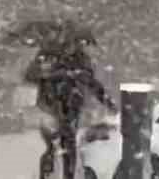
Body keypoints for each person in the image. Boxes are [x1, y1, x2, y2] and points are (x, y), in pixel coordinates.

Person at [24, 34, 112, 179]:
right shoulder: (68, 59)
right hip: (57, 107)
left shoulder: (72, 59)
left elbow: (90, 82)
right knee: (62, 146)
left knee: (60, 146)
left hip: (60, 107)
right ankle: (57, 173)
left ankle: (54, 173)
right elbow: (91, 82)